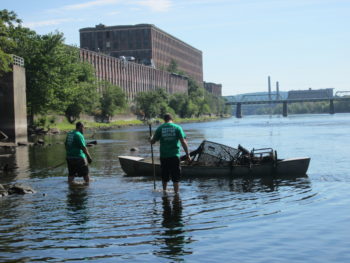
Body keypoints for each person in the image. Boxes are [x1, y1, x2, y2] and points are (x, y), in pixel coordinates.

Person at [151, 113, 191, 193]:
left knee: (164, 175)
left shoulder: (160, 128)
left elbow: (153, 142)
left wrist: (151, 137)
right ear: (172, 119)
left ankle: (164, 191)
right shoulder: (177, 128)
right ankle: (176, 194)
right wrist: (188, 154)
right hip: (174, 156)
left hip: (164, 156)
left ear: (164, 120)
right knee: (176, 176)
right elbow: (183, 142)